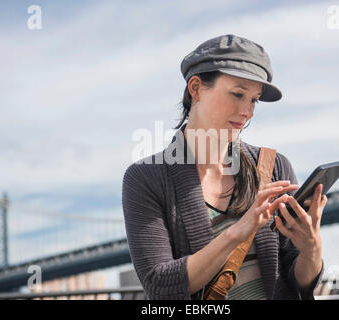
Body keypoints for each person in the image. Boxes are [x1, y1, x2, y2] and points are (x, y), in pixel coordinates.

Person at [122, 34, 327, 300]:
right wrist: (238, 232)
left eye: (254, 99)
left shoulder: (274, 167)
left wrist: (312, 249)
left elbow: (297, 280)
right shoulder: (146, 179)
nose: (248, 111)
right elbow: (160, 286)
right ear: (195, 88)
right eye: (238, 94)